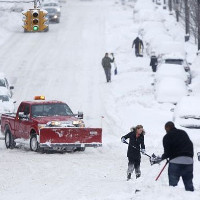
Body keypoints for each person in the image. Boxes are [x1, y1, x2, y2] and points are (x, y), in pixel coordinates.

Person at [151, 121, 194, 191]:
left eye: (165, 129)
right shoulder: (183, 133)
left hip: (175, 162)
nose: (166, 131)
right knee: (189, 185)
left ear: (167, 128)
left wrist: (163, 157)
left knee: (173, 187)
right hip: (188, 161)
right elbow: (190, 145)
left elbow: (167, 152)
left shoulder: (167, 137)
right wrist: (190, 157)